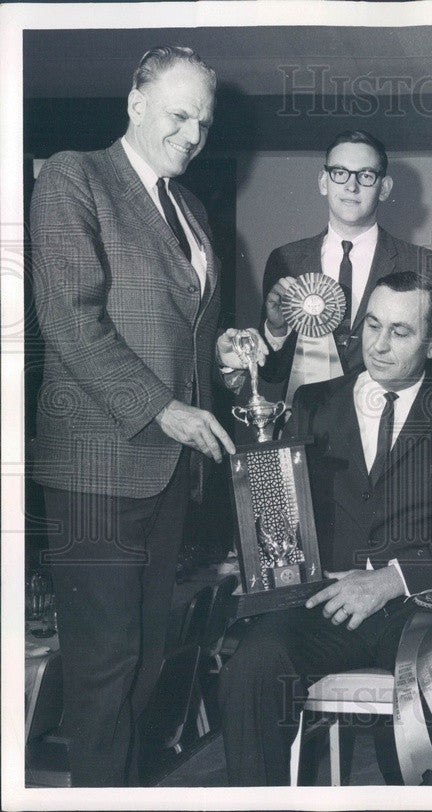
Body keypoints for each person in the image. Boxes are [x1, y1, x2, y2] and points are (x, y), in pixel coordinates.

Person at [28, 46, 261, 786]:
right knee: (103, 671)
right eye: (179, 114)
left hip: (165, 473)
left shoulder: (189, 208)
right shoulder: (75, 177)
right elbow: (70, 321)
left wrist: (224, 349)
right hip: (99, 464)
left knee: (148, 662)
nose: (193, 134)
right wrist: (163, 408)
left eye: (204, 122)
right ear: (135, 103)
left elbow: (182, 334)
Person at [219, 272, 432, 786]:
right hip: (331, 599)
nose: (378, 344)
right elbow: (276, 508)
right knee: (251, 669)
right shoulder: (313, 401)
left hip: (425, 603)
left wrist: (392, 579)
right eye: (372, 325)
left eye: (400, 332)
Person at [259, 130, 432, 403]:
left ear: (384, 188)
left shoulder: (424, 264)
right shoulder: (285, 260)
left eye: (366, 175)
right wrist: (276, 330)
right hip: (306, 420)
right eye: (340, 173)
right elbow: (272, 373)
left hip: (387, 423)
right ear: (324, 182)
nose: (351, 186)